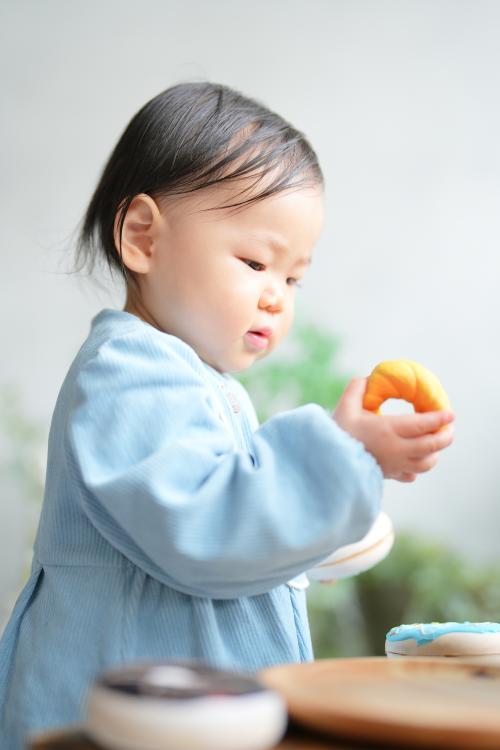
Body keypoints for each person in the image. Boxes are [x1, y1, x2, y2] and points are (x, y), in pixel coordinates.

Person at [0, 82, 454, 746]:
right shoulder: (127, 371)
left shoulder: (194, 381)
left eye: (293, 278)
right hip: (126, 722)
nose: (277, 297)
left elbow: (216, 517)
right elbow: (203, 525)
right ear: (143, 237)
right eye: (255, 261)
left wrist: (312, 528)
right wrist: (335, 458)